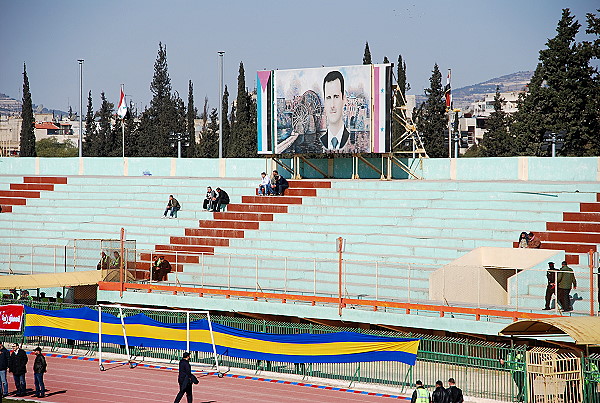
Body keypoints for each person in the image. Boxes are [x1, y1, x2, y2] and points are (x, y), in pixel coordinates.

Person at [320, 70, 350, 150]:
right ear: (325, 102)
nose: (332, 105)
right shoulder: (322, 141)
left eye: (336, 97)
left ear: (343, 99)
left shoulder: (350, 139)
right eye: (328, 98)